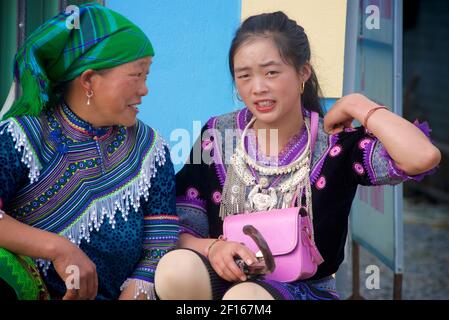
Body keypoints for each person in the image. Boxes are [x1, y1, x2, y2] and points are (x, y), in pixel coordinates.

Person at [153, 11, 440, 300]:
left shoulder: (333, 143)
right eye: (244, 76)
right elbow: (180, 229)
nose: (258, 87)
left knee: (247, 299)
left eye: (271, 72)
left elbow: (421, 156)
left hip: (303, 291)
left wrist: (357, 104)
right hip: (224, 281)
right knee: (176, 268)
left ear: (303, 72)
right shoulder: (218, 135)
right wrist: (212, 248)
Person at [0, 3, 179, 300]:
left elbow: (160, 241)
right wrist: (58, 248)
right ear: (89, 81)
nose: (145, 89)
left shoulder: (149, 149)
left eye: (147, 76)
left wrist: (139, 290)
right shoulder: (24, 138)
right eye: (136, 76)